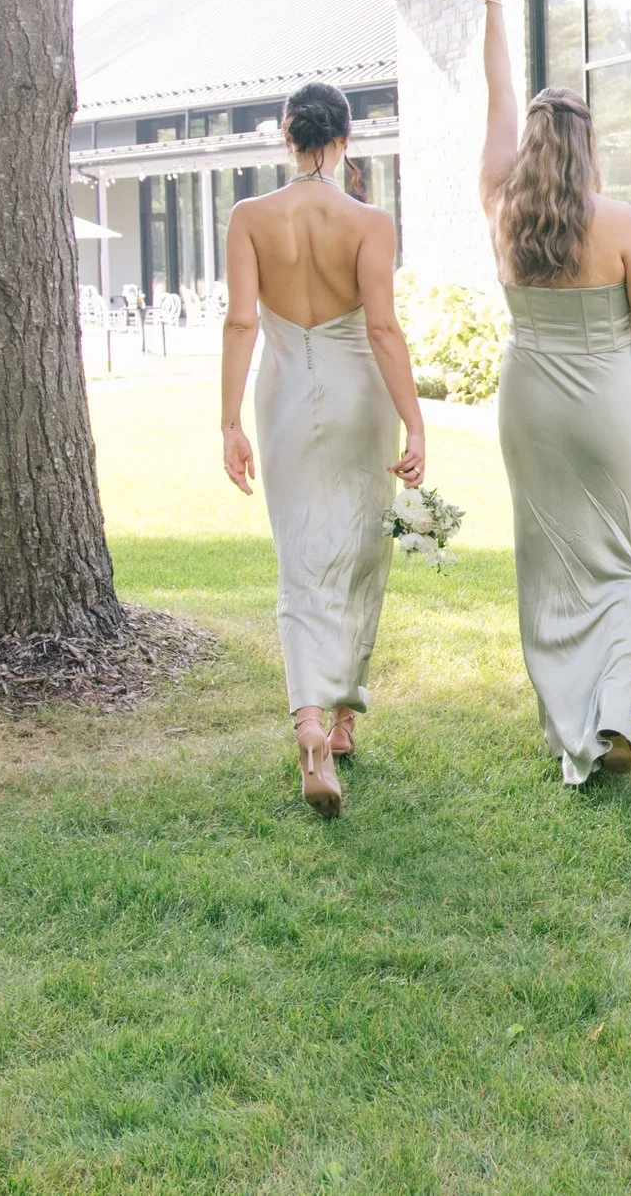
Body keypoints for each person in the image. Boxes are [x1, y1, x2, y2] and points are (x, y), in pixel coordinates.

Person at [471, 0, 631, 785]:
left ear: (529, 145)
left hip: (529, 401)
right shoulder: (620, 223)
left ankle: (573, 728)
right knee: (620, 560)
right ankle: (615, 705)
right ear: (589, 146)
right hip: (608, 399)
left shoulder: (500, 207)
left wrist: (493, 8)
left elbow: (497, 99)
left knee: (550, 563)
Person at [220, 81, 427, 819]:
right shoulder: (370, 221)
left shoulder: (249, 217)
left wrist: (229, 422)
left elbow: (241, 324)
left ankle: (317, 718)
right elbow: (383, 328)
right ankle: (335, 717)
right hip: (358, 395)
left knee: (299, 557)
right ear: (345, 138)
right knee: (362, 548)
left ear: (287, 134)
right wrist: (415, 422)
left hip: (282, 396)